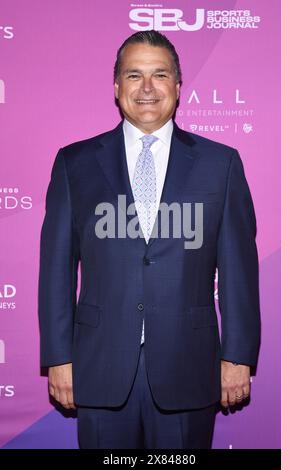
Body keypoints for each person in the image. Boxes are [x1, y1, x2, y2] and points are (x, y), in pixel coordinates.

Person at [38, 30, 261, 449]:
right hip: (98, 365)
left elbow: (239, 273)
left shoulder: (221, 164)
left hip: (189, 365)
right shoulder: (75, 163)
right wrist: (59, 357)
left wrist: (237, 355)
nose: (146, 88)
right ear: (117, 87)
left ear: (178, 88)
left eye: (159, 75)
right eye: (133, 75)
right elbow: (55, 272)